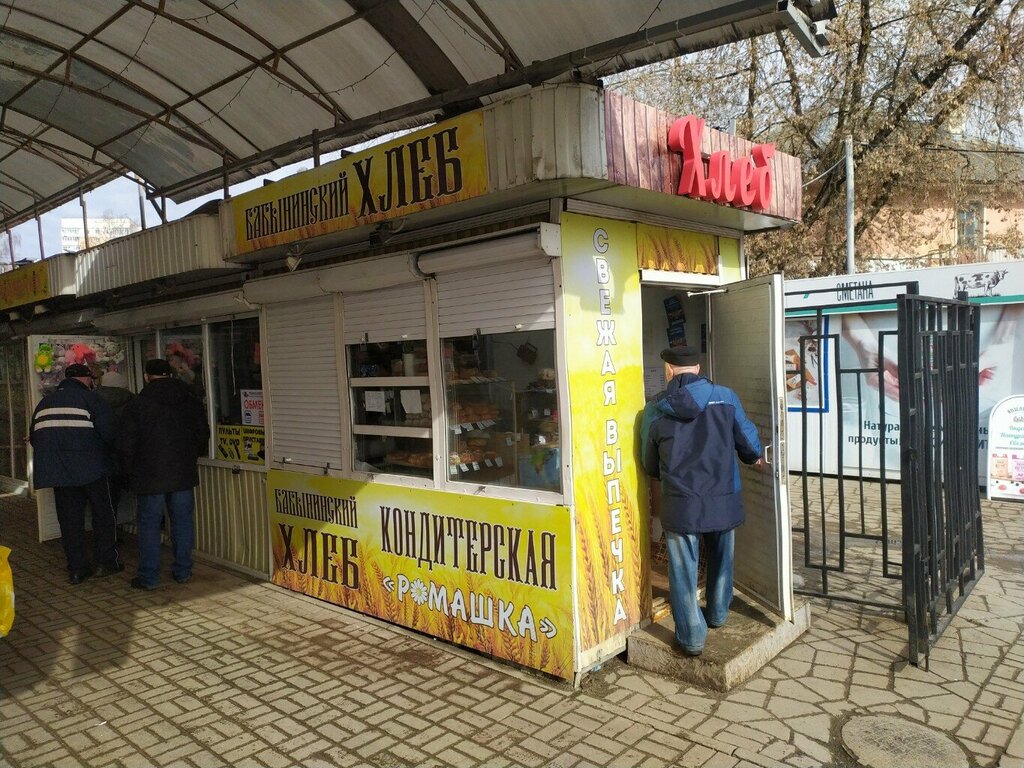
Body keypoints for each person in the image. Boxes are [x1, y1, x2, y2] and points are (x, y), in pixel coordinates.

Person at [641, 346, 764, 657]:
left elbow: (649, 464)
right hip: (723, 498)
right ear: (697, 367)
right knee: (723, 558)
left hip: (681, 503)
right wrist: (755, 458)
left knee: (682, 571)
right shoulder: (725, 397)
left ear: (668, 370)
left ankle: (692, 638)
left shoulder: (654, 410)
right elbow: (749, 444)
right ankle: (718, 615)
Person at [118, 359, 209, 590]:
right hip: (182, 473)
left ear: (148, 376)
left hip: (149, 475)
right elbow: (202, 435)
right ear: (170, 374)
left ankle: (149, 577)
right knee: (182, 522)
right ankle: (183, 571)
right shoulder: (190, 400)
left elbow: (126, 443)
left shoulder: (137, 404)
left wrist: (128, 472)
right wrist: (189, 457)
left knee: (148, 525)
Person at [30, 363, 122, 584]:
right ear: (86, 379)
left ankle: (77, 569)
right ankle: (105, 562)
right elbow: (111, 433)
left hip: (59, 472)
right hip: (92, 470)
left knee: (70, 521)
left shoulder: (44, 403)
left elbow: (35, 438)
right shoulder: (91, 400)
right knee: (103, 515)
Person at [89, 365, 135, 524]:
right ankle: (113, 530)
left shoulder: (90, 401)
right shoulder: (132, 401)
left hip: (97, 457)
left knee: (100, 500)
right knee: (115, 496)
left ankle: (104, 533)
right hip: (123, 456)